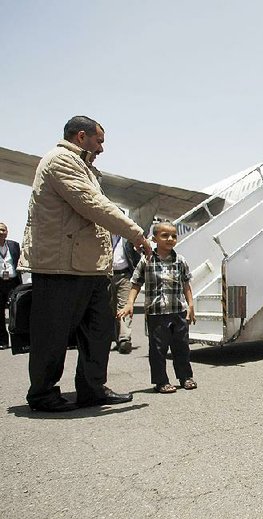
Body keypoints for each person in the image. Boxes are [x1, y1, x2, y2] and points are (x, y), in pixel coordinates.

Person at [20, 115, 151, 412]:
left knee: (99, 331)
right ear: (82, 136)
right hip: (60, 268)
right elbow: (92, 205)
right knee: (52, 334)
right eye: (99, 141)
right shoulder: (60, 161)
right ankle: (42, 394)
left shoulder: (85, 167)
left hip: (89, 267)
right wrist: (136, 233)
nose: (102, 148)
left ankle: (92, 389)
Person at [119, 222, 197, 393]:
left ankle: (185, 377)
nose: (170, 239)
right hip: (157, 313)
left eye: (174, 236)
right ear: (154, 239)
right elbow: (136, 283)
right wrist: (130, 303)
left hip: (178, 311)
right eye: (165, 235)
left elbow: (186, 284)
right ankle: (161, 381)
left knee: (182, 346)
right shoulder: (146, 260)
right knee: (158, 349)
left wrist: (190, 305)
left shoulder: (180, 260)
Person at [110, 234, 140, 354]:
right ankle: (117, 338)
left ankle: (124, 339)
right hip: (107, 275)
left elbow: (136, 254)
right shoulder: (104, 236)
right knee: (112, 307)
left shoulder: (128, 237)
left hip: (125, 276)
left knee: (124, 306)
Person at [0, 222, 22, 350]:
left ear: (7, 232)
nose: (1, 232)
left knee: (16, 312)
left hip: (13, 282)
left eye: (3, 230)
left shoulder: (14, 245)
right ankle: (3, 341)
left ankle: (18, 341)